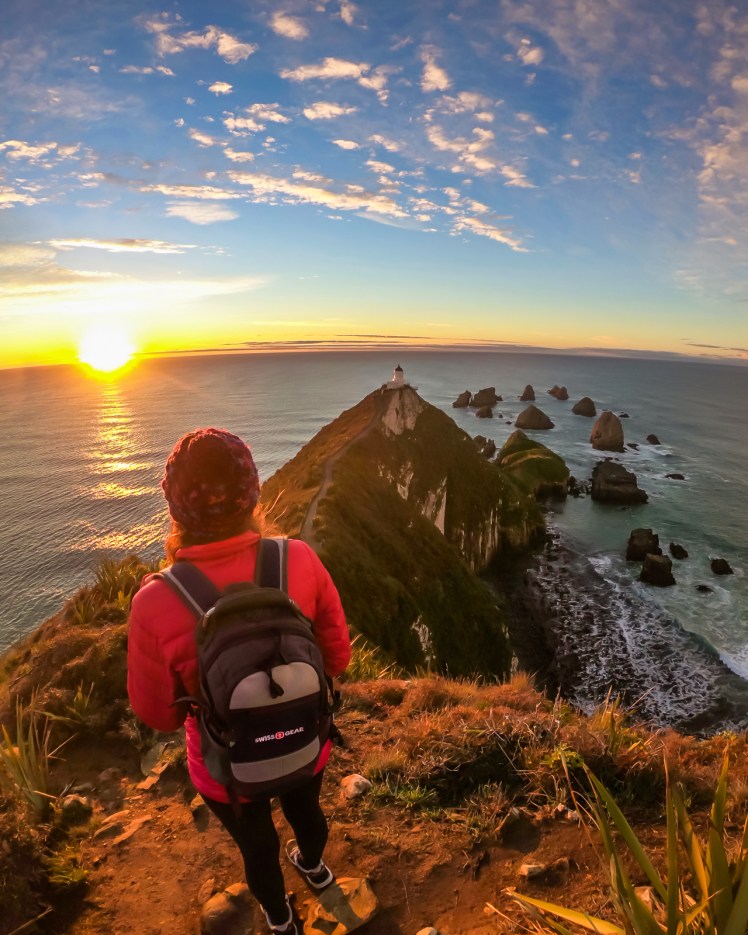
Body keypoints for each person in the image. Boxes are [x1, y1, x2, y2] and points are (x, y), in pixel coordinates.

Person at [127, 427, 351, 935]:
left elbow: (158, 715)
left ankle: (280, 919)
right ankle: (314, 868)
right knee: (306, 811)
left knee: (257, 846)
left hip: (226, 768)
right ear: (253, 492)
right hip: (303, 740)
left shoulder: (155, 601)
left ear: (175, 505)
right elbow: (337, 658)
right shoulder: (299, 559)